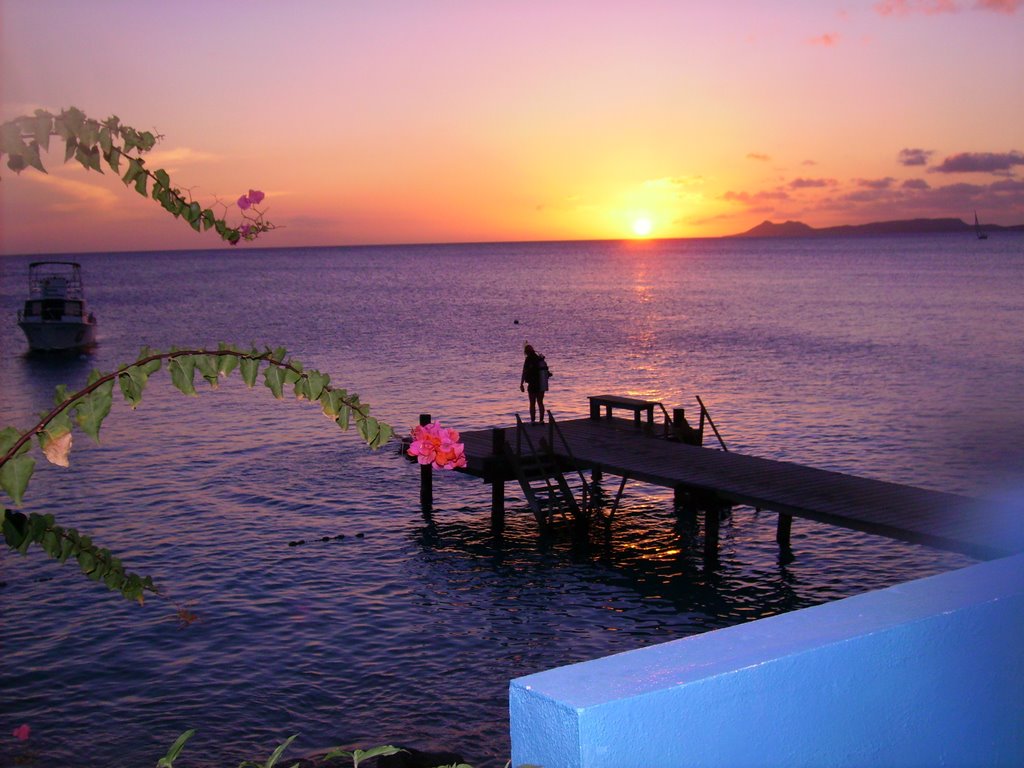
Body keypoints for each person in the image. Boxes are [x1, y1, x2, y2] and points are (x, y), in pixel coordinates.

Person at [519, 343, 551, 423]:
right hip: (541, 383)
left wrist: (521, 384)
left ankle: (533, 420)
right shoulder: (539, 359)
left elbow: (525, 372)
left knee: (532, 403)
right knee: (540, 402)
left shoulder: (528, 359)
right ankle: (541, 420)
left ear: (526, 352)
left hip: (532, 384)